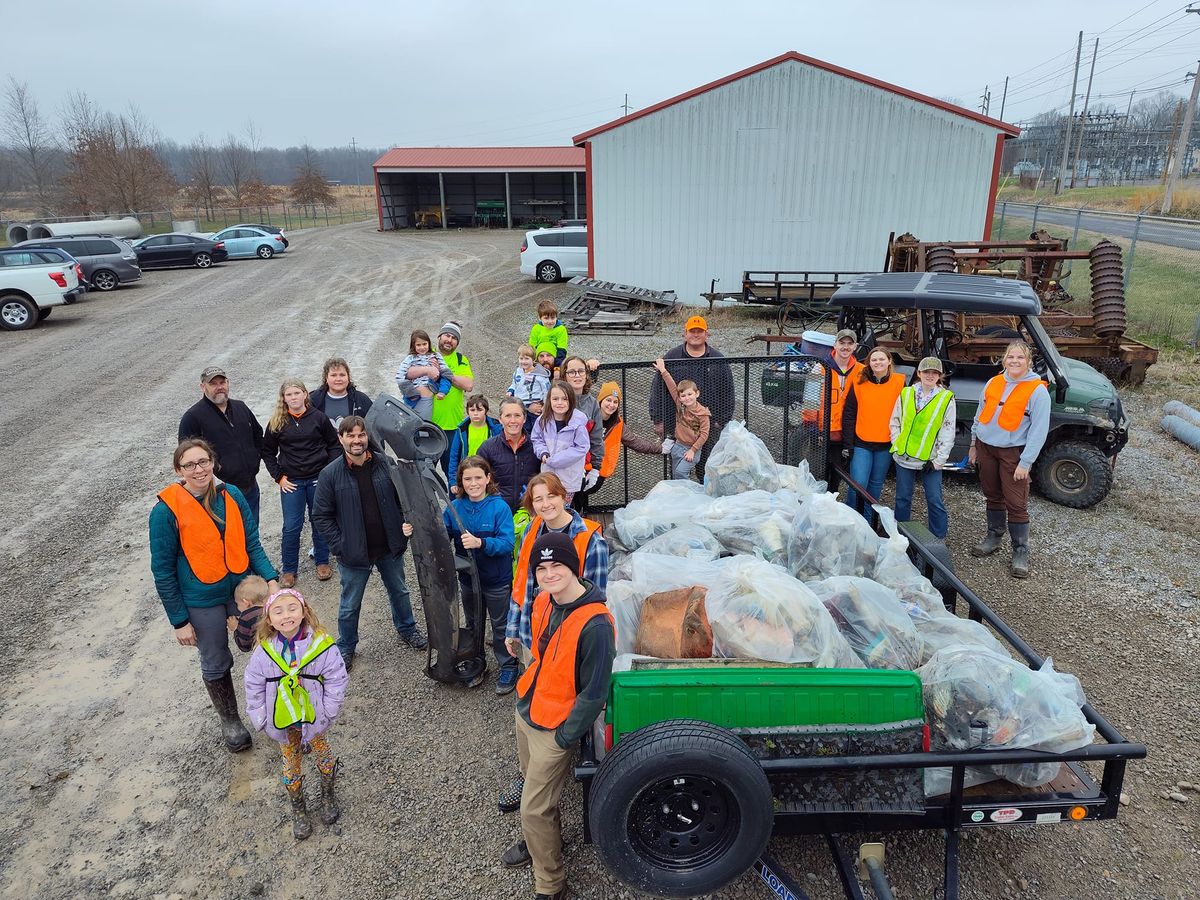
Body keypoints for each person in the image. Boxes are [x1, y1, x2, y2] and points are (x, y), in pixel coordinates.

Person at [499, 531, 615, 900]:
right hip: (528, 709)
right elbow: (542, 656)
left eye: (557, 566)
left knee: (534, 808)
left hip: (554, 727)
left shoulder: (596, 624)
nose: (549, 575)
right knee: (531, 785)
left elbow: (594, 692)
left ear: (574, 567)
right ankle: (542, 843)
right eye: (542, 568)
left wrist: (567, 736)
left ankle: (550, 883)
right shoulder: (544, 601)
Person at [150, 438, 279, 752]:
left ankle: (279, 712)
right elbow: (163, 571)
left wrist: (272, 580)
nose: (198, 469)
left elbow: (252, 543)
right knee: (216, 657)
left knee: (269, 645)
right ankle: (230, 720)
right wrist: (179, 621)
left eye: (203, 462)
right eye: (190, 465)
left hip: (241, 589)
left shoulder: (231, 494)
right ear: (179, 470)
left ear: (212, 462)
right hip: (201, 597)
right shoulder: (164, 512)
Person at [499, 473, 608, 814]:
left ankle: (560, 757)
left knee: (570, 697)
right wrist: (513, 628)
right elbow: (522, 583)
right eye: (537, 501)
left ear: (565, 497)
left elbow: (596, 598)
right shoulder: (534, 529)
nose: (545, 505)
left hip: (566, 640)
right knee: (536, 698)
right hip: (534, 635)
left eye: (551, 497)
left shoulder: (589, 538)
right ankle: (531, 774)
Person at [312, 416, 428, 672]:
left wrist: (403, 524)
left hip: (388, 547)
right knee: (350, 603)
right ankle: (347, 645)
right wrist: (340, 545)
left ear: (367, 437)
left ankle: (407, 629)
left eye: (361, 435)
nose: (356, 440)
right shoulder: (330, 474)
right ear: (341, 438)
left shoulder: (385, 465)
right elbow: (321, 515)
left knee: (399, 591)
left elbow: (403, 500)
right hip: (354, 554)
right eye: (350, 436)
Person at [243, 588, 348, 840]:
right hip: (283, 721)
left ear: (304, 612)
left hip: (313, 719)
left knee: (324, 755)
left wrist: (329, 710)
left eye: (292, 608)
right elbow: (253, 685)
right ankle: (298, 807)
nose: (286, 615)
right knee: (290, 763)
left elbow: (336, 678)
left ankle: (328, 795)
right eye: (278, 611)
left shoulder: (321, 645)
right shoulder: (264, 652)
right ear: (269, 619)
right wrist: (261, 719)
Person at [968, 340, 1051, 578]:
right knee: (992, 494)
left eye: (1020, 358)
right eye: (1010, 357)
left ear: (1028, 361)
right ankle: (994, 537)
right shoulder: (994, 382)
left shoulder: (1037, 391)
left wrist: (1026, 462)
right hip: (986, 447)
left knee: (1016, 502)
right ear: (1004, 360)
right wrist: (974, 444)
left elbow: (1038, 430)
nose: (1015, 361)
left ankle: (1020, 550)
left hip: (1012, 453)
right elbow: (979, 414)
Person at [437, 455, 518, 694]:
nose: (473, 483)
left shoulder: (498, 507)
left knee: (500, 624)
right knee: (473, 623)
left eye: (478, 478)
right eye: (467, 478)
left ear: (488, 479)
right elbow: (440, 536)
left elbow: (507, 544)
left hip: (495, 580)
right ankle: (476, 661)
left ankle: (508, 665)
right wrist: (413, 529)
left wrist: (481, 543)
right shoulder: (455, 508)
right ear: (461, 481)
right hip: (468, 581)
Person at [261, 379, 341, 587]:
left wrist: (327, 472)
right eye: (289, 395)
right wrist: (278, 476)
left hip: (317, 479)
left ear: (305, 394)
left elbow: (334, 445)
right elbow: (267, 451)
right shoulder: (277, 422)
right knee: (291, 526)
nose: (293, 397)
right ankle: (289, 569)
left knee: (319, 520)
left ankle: (322, 561)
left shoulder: (318, 418)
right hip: (292, 482)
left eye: (297, 393)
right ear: (284, 398)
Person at [648, 315, 734, 481]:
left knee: (707, 468)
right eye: (692, 331)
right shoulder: (672, 356)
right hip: (676, 426)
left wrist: (721, 420)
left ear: (706, 334)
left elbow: (727, 392)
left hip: (707, 426)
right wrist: (658, 420)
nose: (696, 334)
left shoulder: (718, 359)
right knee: (679, 470)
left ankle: (707, 501)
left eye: (699, 331)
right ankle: (681, 501)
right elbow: (658, 388)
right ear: (685, 334)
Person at [178, 366, 266, 523]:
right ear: (203, 387)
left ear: (228, 383)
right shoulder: (193, 417)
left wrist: (255, 458)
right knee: (226, 537)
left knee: (251, 533)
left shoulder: (241, 407)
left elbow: (258, 435)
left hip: (250, 487)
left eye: (222, 382)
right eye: (213, 384)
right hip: (218, 492)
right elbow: (186, 457)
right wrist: (217, 470)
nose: (219, 387)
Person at [890, 357, 956, 541]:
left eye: (934, 372)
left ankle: (938, 538)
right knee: (902, 497)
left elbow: (948, 430)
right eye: (926, 372)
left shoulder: (945, 398)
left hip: (930, 460)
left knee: (934, 499)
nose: (930, 375)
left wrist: (939, 460)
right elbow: (895, 420)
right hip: (904, 457)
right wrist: (896, 443)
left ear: (939, 376)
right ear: (919, 373)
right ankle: (900, 535)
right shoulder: (906, 393)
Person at [576, 381, 666, 514]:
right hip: (580, 466)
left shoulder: (617, 424)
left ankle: (579, 517)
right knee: (576, 494)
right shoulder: (587, 416)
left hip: (599, 469)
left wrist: (660, 448)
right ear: (600, 400)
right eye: (608, 400)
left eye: (615, 402)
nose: (611, 405)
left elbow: (634, 441)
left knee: (581, 493)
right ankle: (579, 516)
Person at [840, 348, 905, 515]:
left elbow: (906, 412)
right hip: (862, 442)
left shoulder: (899, 382)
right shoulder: (859, 382)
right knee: (858, 483)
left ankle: (868, 522)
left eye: (881, 359)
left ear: (889, 361)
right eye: (874, 360)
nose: (878, 363)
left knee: (875, 485)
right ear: (869, 363)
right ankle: (850, 518)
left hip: (885, 444)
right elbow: (849, 413)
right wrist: (848, 443)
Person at [652, 357, 712, 481]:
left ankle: (689, 497)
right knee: (676, 477)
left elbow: (704, 435)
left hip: (692, 449)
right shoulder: (680, 405)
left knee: (680, 473)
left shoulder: (703, 413)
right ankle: (682, 498)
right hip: (678, 446)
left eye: (690, 394)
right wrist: (663, 370)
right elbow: (672, 386)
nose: (687, 398)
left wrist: (693, 450)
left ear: (697, 394)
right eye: (683, 395)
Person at [531, 382, 591, 504]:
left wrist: (556, 460)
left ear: (571, 401)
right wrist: (542, 452)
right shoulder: (542, 420)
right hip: (548, 476)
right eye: (555, 399)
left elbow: (581, 447)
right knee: (549, 506)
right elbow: (537, 439)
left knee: (563, 509)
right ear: (549, 400)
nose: (560, 403)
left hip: (568, 479)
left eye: (564, 399)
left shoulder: (578, 424)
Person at [479, 398, 540, 515]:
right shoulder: (487, 448)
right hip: (497, 513)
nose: (513, 420)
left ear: (524, 418)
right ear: (500, 419)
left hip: (529, 513)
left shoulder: (537, 447)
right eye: (508, 416)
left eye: (517, 415)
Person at [823, 329, 865, 495]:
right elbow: (811, 400)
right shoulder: (820, 367)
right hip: (825, 431)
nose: (845, 347)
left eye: (849, 343)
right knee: (819, 473)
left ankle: (831, 503)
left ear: (855, 347)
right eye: (842, 343)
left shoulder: (862, 371)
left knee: (837, 475)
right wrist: (813, 428)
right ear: (835, 344)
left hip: (848, 432)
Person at [430, 321, 476, 473]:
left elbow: (468, 385)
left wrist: (444, 373)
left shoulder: (460, 360)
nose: (449, 340)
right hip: (427, 425)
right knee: (425, 474)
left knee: (453, 473)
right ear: (439, 337)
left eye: (454, 338)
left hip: (452, 427)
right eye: (446, 335)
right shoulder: (427, 354)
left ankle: (453, 498)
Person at [561, 356, 605, 488]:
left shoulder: (592, 404)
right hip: (561, 466)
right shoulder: (557, 400)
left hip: (584, 467)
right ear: (565, 376)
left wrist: (596, 467)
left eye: (581, 371)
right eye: (572, 372)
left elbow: (596, 438)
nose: (577, 375)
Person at [447, 393, 502, 493]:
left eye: (479, 410)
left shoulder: (495, 428)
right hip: (467, 471)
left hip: (487, 473)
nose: (475, 413)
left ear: (486, 411)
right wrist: (453, 481)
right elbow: (454, 456)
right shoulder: (461, 430)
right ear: (467, 411)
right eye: (472, 410)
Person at [395, 328, 453, 421]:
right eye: (418, 345)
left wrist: (443, 391)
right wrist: (409, 391)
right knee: (409, 426)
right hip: (411, 399)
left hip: (426, 397)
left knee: (423, 426)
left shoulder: (436, 356)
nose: (422, 347)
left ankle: (443, 391)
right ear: (413, 346)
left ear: (429, 343)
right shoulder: (410, 358)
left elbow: (447, 373)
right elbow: (399, 376)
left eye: (424, 344)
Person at [309, 357, 374, 430]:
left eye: (342, 375)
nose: (338, 379)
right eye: (333, 375)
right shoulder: (314, 399)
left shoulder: (361, 399)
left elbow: (373, 428)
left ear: (348, 377)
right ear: (326, 378)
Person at [507, 343, 550, 416]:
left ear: (533, 359)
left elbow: (546, 390)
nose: (523, 361)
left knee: (535, 426)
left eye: (527, 359)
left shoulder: (540, 374)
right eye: (521, 358)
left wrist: (545, 405)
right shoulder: (518, 372)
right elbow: (515, 383)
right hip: (521, 404)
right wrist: (510, 390)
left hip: (535, 405)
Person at [229, 574, 269, 653]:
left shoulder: (246, 618)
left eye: (237, 604)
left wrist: (236, 628)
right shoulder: (271, 609)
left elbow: (244, 646)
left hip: (265, 654)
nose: (237, 607)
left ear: (246, 602)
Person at [529, 300, 570, 370]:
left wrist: (557, 366)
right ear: (540, 318)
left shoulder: (561, 329)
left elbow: (561, 349)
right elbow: (532, 347)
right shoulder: (536, 328)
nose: (550, 321)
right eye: (546, 318)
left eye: (553, 318)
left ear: (556, 317)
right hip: (541, 359)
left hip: (557, 359)